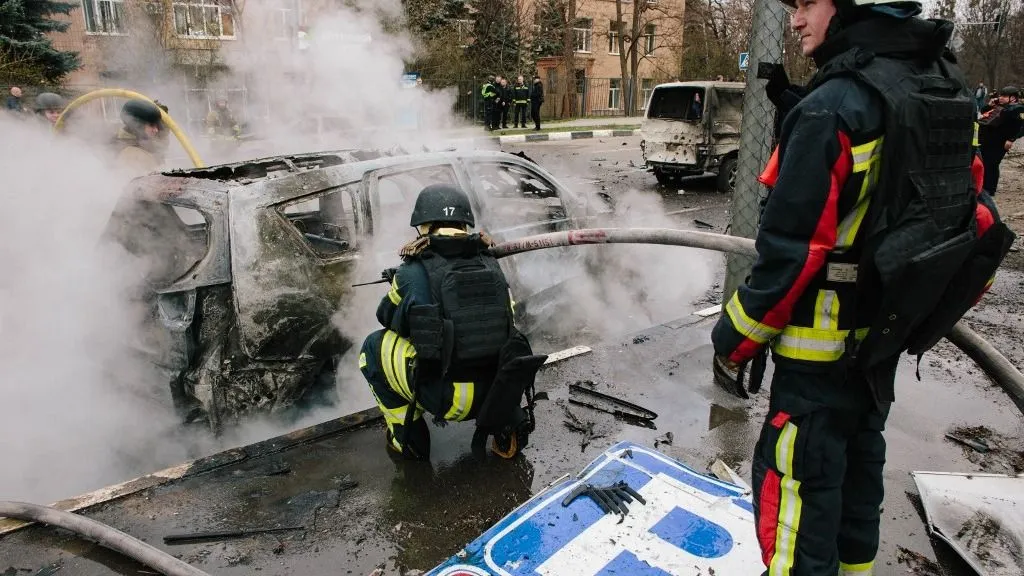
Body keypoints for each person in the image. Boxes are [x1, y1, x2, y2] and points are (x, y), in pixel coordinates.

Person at [710, 0, 1012, 574]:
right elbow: (969, 210)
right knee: (855, 484)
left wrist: (733, 338)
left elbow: (794, 252)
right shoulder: (944, 89)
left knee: (799, 495)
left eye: (806, 4)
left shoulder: (835, 108)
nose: (795, 20)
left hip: (815, 364)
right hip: (881, 345)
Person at [358, 184, 546, 461]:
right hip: (499, 391)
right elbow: (509, 318)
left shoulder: (411, 270)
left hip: (447, 400)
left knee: (372, 347)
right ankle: (506, 424)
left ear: (424, 225)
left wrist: (402, 283)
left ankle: (405, 435)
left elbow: (386, 317)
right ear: (464, 223)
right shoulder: (491, 262)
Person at [978, 86, 1022, 195]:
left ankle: (990, 189)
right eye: (1001, 95)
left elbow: (1020, 127)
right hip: (988, 139)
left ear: (1013, 98)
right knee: (984, 162)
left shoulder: (1017, 109)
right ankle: (983, 186)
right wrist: (990, 105)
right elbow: (983, 112)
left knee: (992, 164)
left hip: (1000, 141)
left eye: (1004, 96)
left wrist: (1011, 139)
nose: (1001, 98)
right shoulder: (999, 106)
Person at [114, 98, 167, 175]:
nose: (156, 130)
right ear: (137, 126)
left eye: (157, 126)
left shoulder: (143, 145)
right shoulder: (131, 154)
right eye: (151, 125)